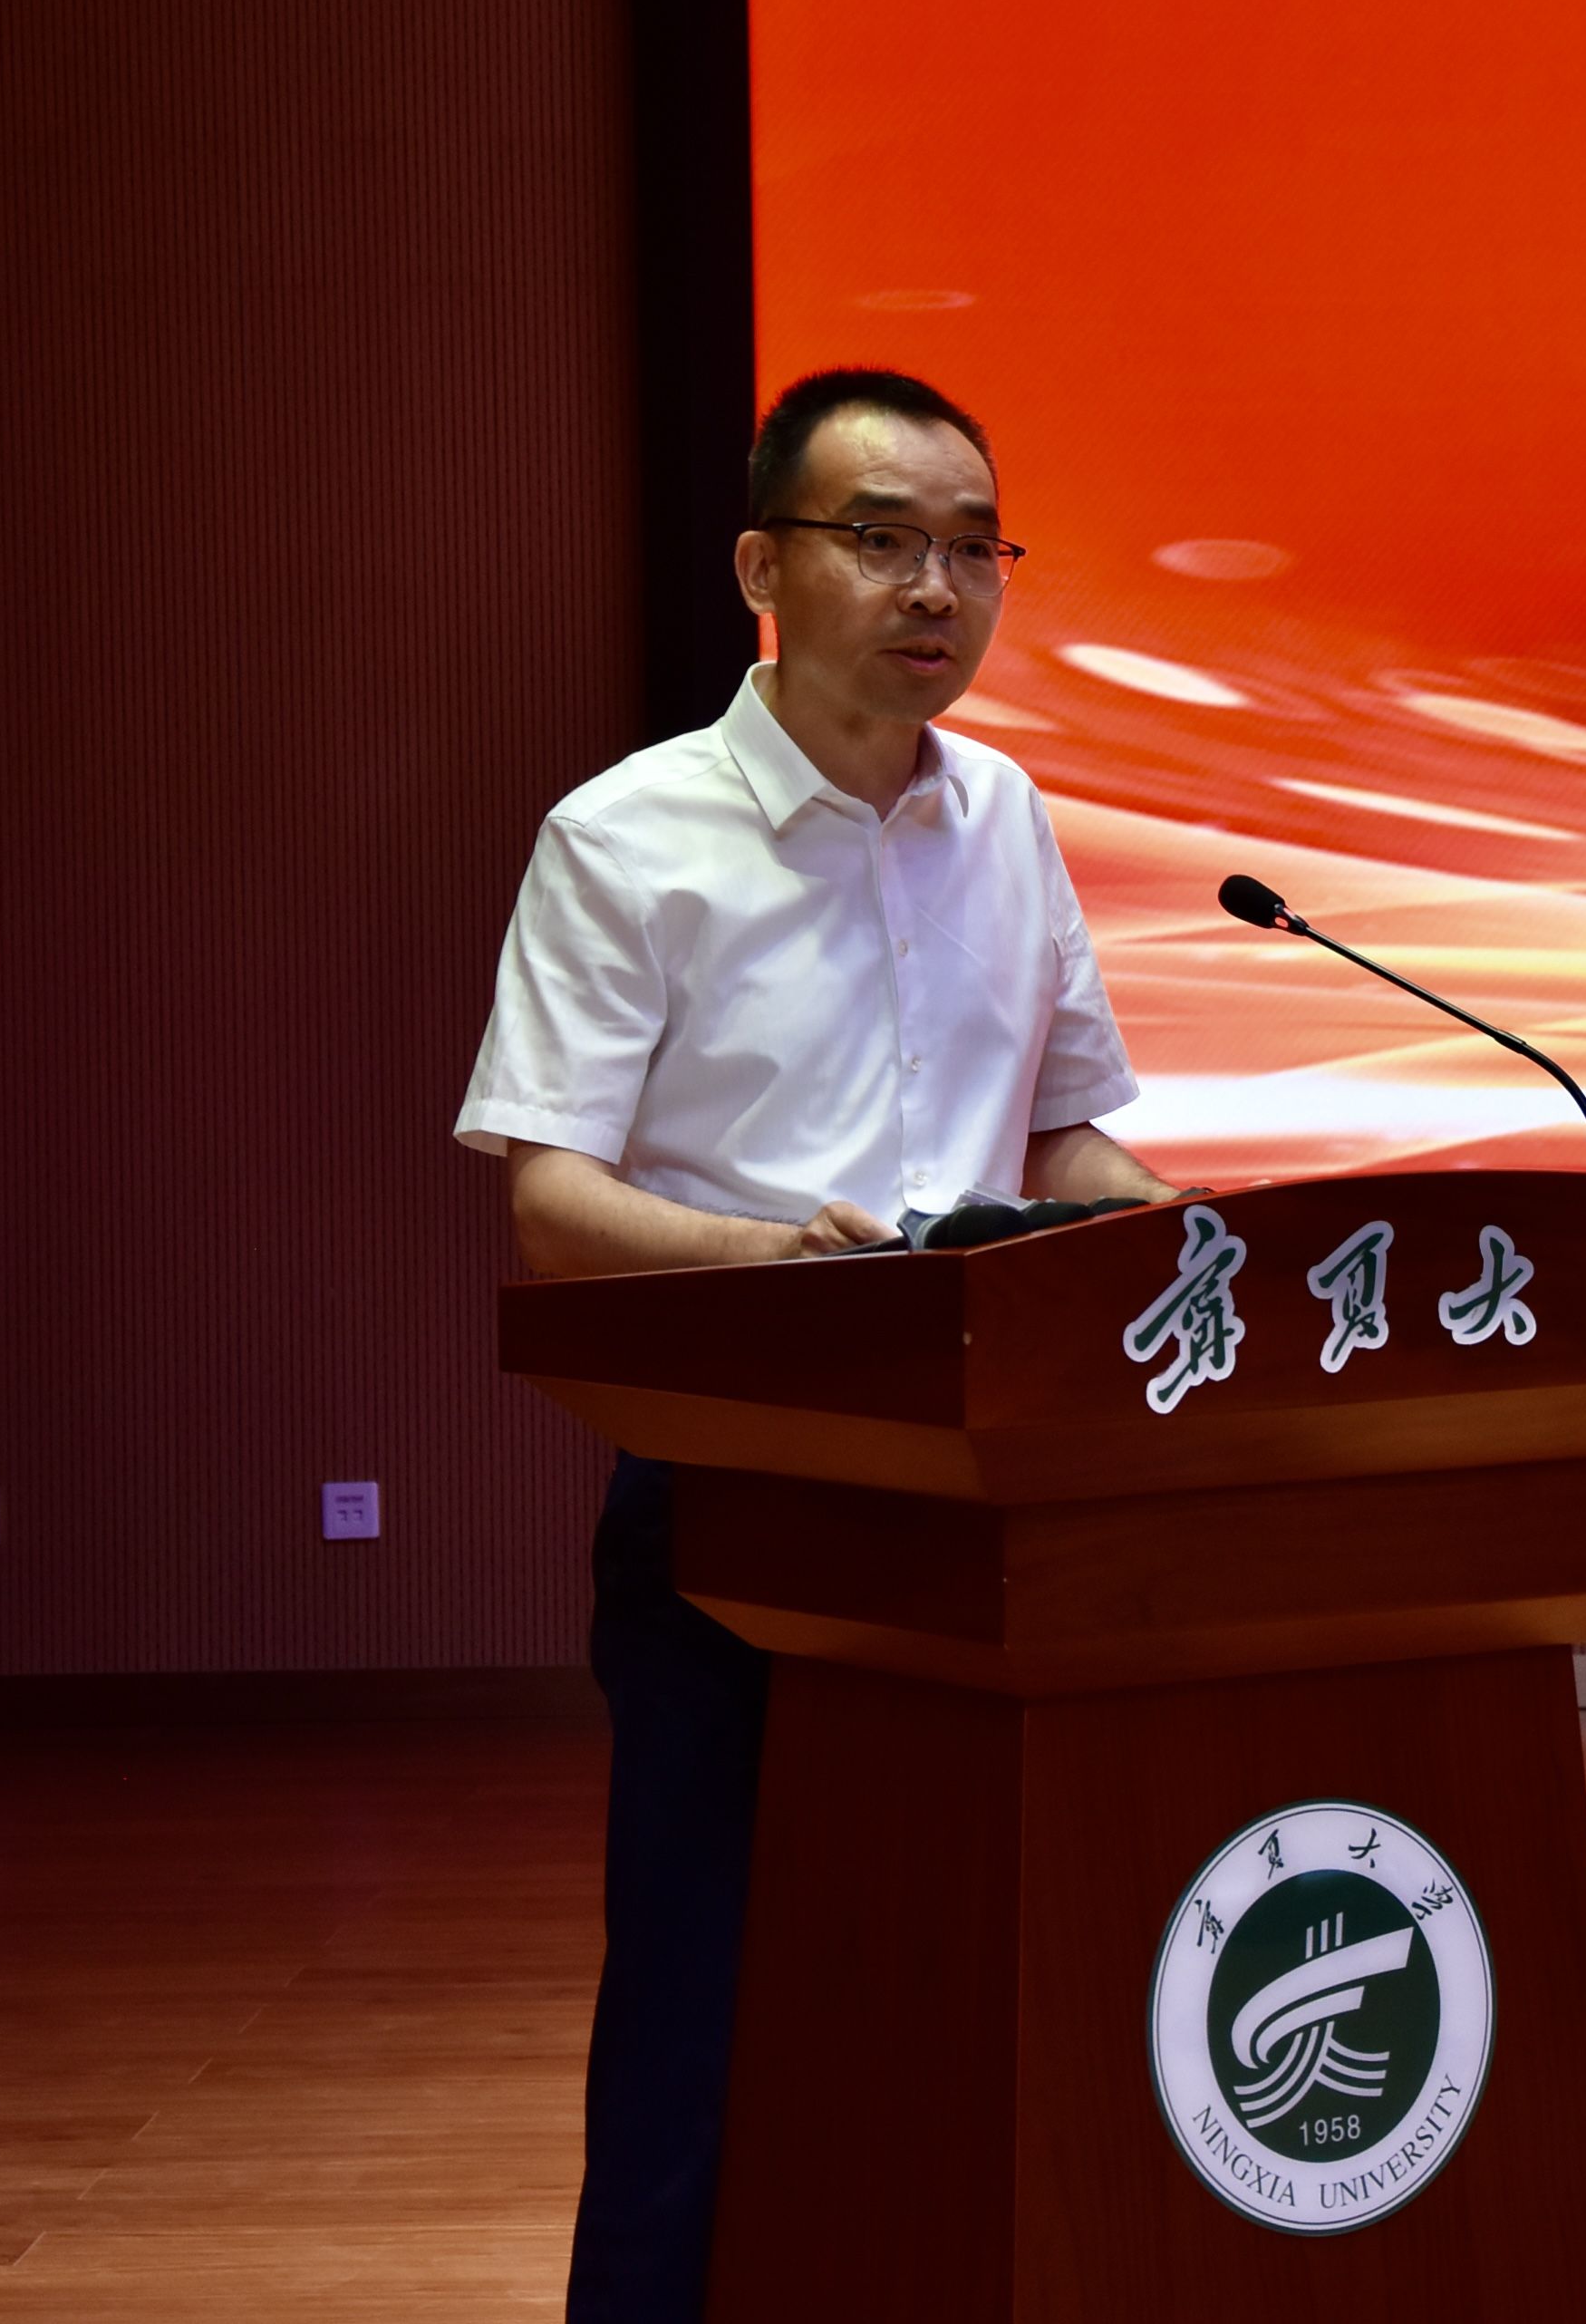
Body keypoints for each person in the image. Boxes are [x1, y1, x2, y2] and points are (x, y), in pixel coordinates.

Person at [452, 366, 1175, 2321]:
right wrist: (783, 1261)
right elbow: (553, 1200)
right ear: (764, 568)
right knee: (705, 2001)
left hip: (997, 1502)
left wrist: (1168, 1228)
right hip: (746, 1499)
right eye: (883, 540)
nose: (936, 587)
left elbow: (1061, 1136)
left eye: (975, 547)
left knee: (980, 1976)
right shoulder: (627, 836)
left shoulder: (1004, 816)